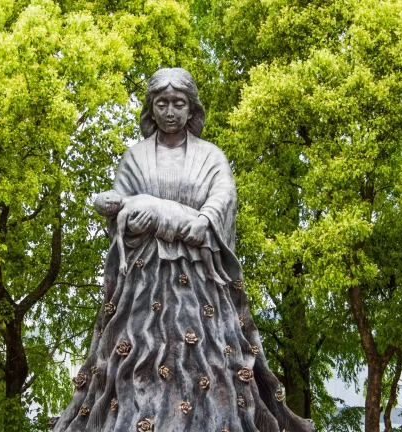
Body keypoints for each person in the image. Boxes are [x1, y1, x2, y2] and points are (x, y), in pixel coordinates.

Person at [54, 68, 314, 432]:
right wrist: (128, 223)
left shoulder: (210, 156)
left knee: (212, 365)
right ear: (151, 107)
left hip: (200, 282)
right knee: (135, 364)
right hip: (143, 284)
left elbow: (224, 197)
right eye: (162, 103)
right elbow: (119, 215)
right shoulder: (134, 157)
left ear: (192, 109)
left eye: (179, 103)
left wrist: (203, 219)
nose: (171, 111)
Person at [93, 189, 232, 285]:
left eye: (107, 198)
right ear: (110, 214)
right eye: (107, 206)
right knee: (202, 236)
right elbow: (119, 236)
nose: (111, 202)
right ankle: (211, 271)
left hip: (173, 209)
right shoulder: (123, 214)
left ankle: (219, 269)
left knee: (207, 229)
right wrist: (123, 260)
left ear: (112, 192)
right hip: (166, 224)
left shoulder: (133, 196)